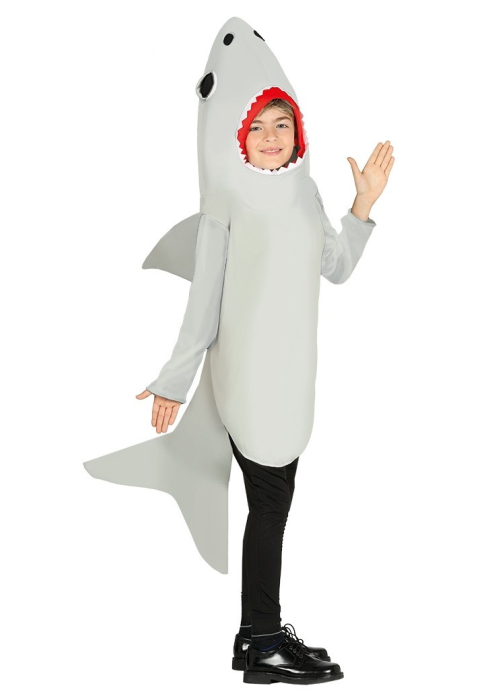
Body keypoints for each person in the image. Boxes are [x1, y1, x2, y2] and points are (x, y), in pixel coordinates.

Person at [135, 96, 394, 684]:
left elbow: (336, 265)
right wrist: (174, 380)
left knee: (270, 506)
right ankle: (266, 644)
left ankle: (253, 637)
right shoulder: (226, 199)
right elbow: (204, 295)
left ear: (297, 134)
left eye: (282, 124)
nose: (271, 135)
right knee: (272, 507)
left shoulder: (305, 192)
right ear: (241, 139)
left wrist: (363, 205)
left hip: (292, 378)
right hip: (249, 379)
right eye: (257, 127)